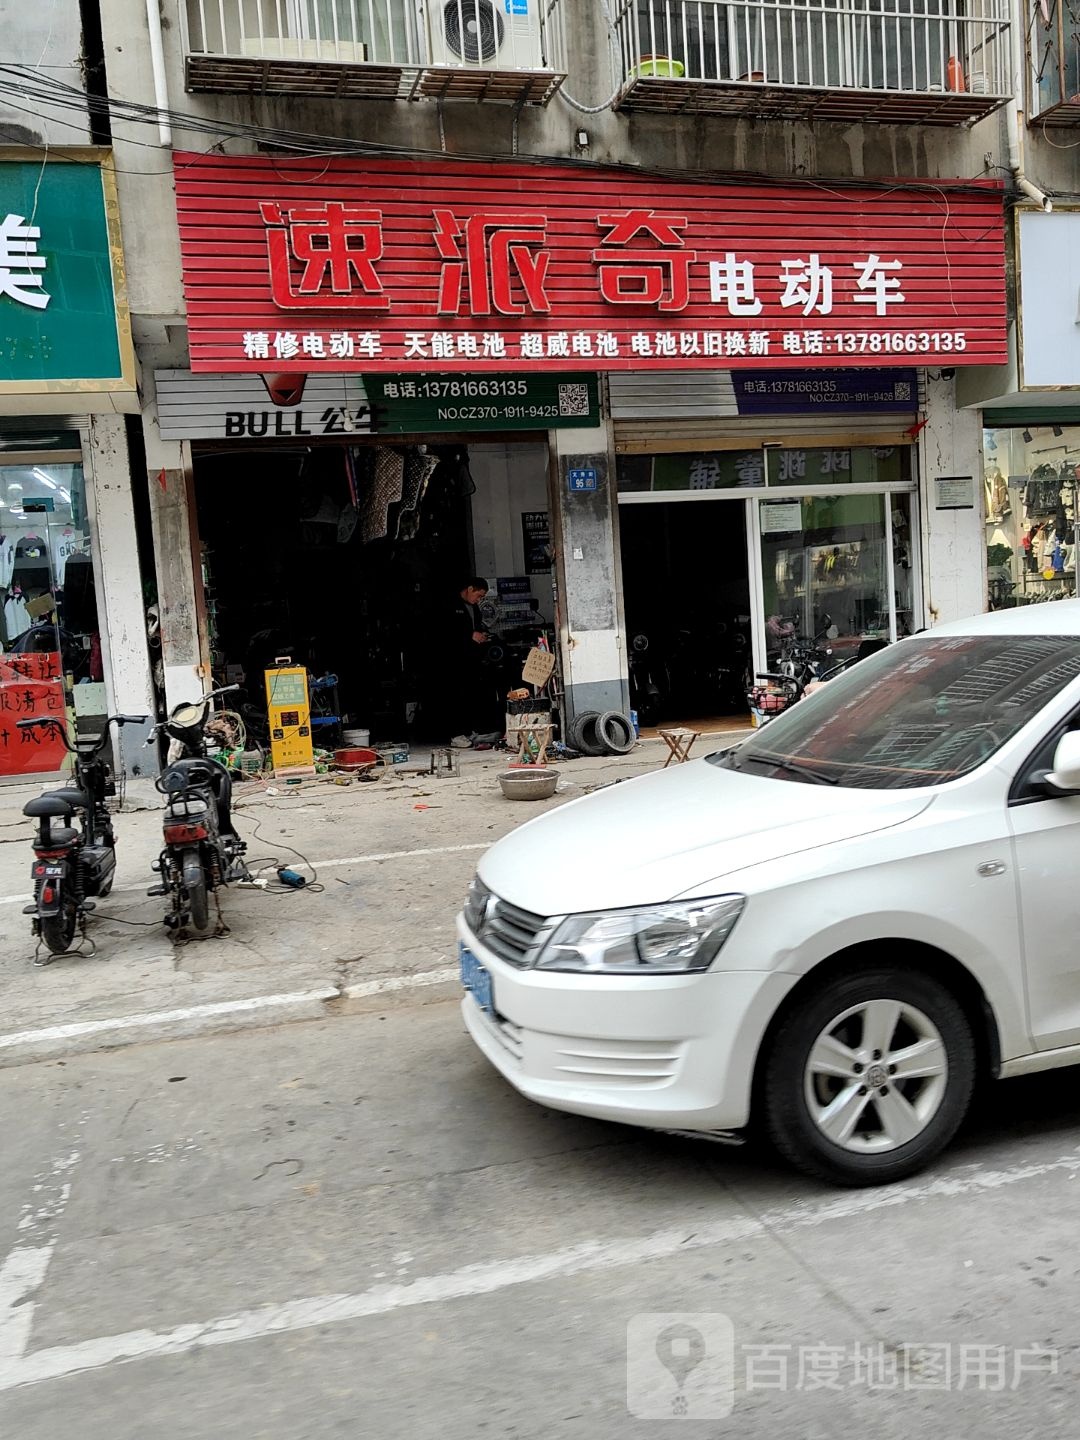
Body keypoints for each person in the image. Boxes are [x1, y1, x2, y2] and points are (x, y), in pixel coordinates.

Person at [449, 578, 497, 748]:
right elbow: (443, 632)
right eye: (478, 595)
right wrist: (469, 636)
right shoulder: (450, 605)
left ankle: (469, 731)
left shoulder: (475, 608)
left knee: (471, 695)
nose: (479, 600)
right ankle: (456, 734)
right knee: (457, 696)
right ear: (469, 588)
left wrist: (481, 635)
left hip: (472, 659)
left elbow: (476, 628)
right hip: (454, 660)